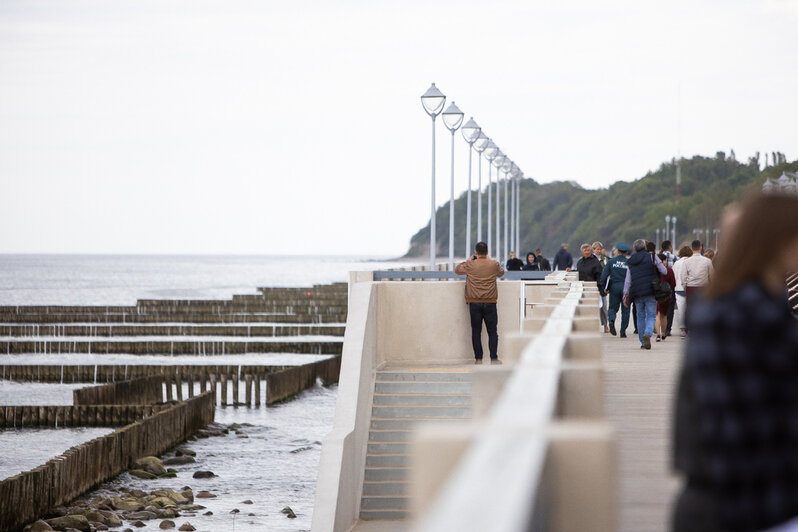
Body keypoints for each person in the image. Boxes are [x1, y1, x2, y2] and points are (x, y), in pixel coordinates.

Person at [671, 194, 798, 532]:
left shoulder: (744, 306)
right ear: (778, 241)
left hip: (735, 500)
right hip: (744, 507)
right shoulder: (744, 315)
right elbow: (744, 423)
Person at [454, 241, 505, 365]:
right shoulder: (493, 264)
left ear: (476, 251)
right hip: (490, 302)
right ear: (487, 252)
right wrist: (488, 259)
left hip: (474, 302)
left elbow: (457, 270)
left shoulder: (470, 264)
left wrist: (470, 258)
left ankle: (478, 359)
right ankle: (493, 358)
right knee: (492, 332)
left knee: (476, 332)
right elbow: (501, 272)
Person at [623, 239, 667, 349]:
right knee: (651, 315)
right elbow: (664, 271)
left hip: (636, 291)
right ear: (645, 247)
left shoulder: (631, 260)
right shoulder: (652, 257)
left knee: (640, 316)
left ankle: (643, 342)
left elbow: (628, 280)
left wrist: (625, 294)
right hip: (650, 290)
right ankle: (648, 333)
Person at [679, 240, 714, 333]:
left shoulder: (686, 261)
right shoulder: (707, 261)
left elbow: (683, 277)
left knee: (690, 308)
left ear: (691, 248)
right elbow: (712, 276)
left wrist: (685, 287)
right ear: (701, 247)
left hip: (690, 287)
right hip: (704, 287)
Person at [600, 242, 631, 337]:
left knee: (612, 308)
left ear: (617, 251)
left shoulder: (611, 261)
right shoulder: (629, 263)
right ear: (626, 252)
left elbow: (603, 276)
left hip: (614, 287)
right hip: (626, 288)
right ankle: (623, 332)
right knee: (625, 310)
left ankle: (612, 320)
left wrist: (604, 287)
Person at [671, 245, 693, 338]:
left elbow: (673, 275)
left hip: (678, 288)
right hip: (689, 287)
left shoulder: (677, 263)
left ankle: (682, 330)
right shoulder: (691, 262)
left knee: (681, 310)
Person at [654, 252, 676, 342]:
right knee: (664, 315)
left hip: (656, 294)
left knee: (656, 314)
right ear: (663, 261)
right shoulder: (669, 270)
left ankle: (658, 334)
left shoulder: (654, 270)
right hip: (666, 296)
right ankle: (663, 333)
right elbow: (673, 284)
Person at [593, 241, 610, 333]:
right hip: (593, 285)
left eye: (600, 249)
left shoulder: (605, 259)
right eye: (597, 249)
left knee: (604, 307)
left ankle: (605, 325)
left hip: (603, 286)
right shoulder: (591, 259)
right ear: (594, 250)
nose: (599, 251)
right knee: (595, 307)